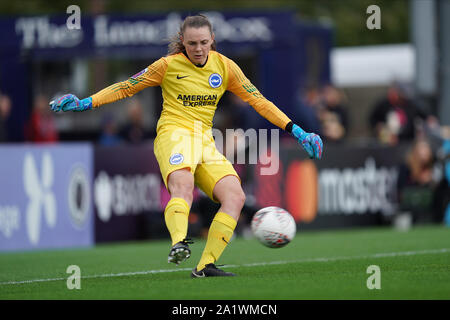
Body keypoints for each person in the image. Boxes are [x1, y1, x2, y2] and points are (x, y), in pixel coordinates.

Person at [49, 14, 323, 278]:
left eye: (204, 42)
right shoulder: (167, 66)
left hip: (205, 139)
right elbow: (126, 87)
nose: (199, 49)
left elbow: (259, 101)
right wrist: (87, 102)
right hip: (174, 134)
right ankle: (179, 242)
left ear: (212, 39)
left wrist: (297, 130)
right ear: (183, 41)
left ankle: (206, 265)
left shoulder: (225, 67)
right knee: (182, 187)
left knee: (235, 196)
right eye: (192, 43)